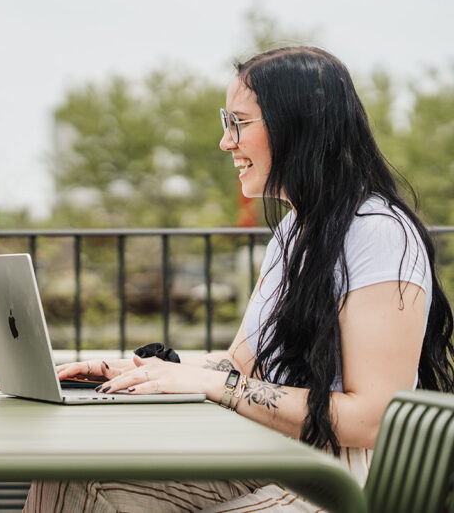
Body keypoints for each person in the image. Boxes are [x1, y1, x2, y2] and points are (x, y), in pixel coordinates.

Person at [24, 46, 454, 513]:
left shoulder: (378, 230)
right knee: (69, 479)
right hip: (278, 457)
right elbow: (238, 366)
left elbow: (372, 418)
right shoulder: (296, 229)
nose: (226, 142)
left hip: (342, 482)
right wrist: (142, 371)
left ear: (298, 125)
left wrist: (222, 388)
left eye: (240, 123)